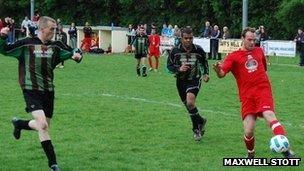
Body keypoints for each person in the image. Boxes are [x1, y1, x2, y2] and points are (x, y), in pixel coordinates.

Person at [0, 16, 83, 171]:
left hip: (48, 91)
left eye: (56, 29)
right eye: (52, 29)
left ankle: (19, 124)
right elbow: (3, 49)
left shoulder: (56, 46)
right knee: (43, 125)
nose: (55, 32)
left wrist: (77, 56)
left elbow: (74, 51)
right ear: (42, 28)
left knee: (43, 126)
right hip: (31, 89)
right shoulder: (26, 44)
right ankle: (53, 164)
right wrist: (2, 37)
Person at [213, 27, 295, 158]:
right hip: (247, 96)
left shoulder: (259, 51)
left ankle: (286, 149)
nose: (252, 42)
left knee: (269, 115)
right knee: (249, 130)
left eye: (254, 40)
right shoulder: (233, 57)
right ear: (242, 39)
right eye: (249, 40)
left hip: (263, 90)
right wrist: (217, 70)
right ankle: (250, 154)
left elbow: (264, 69)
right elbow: (222, 73)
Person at [167, 26, 209, 141]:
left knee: (190, 103)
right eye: (186, 38)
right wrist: (178, 69)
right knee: (189, 106)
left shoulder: (198, 49)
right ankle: (200, 121)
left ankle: (196, 130)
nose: (188, 40)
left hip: (195, 79)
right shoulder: (174, 51)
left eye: (190, 38)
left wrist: (205, 73)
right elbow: (168, 67)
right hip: (180, 82)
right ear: (181, 38)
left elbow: (204, 62)